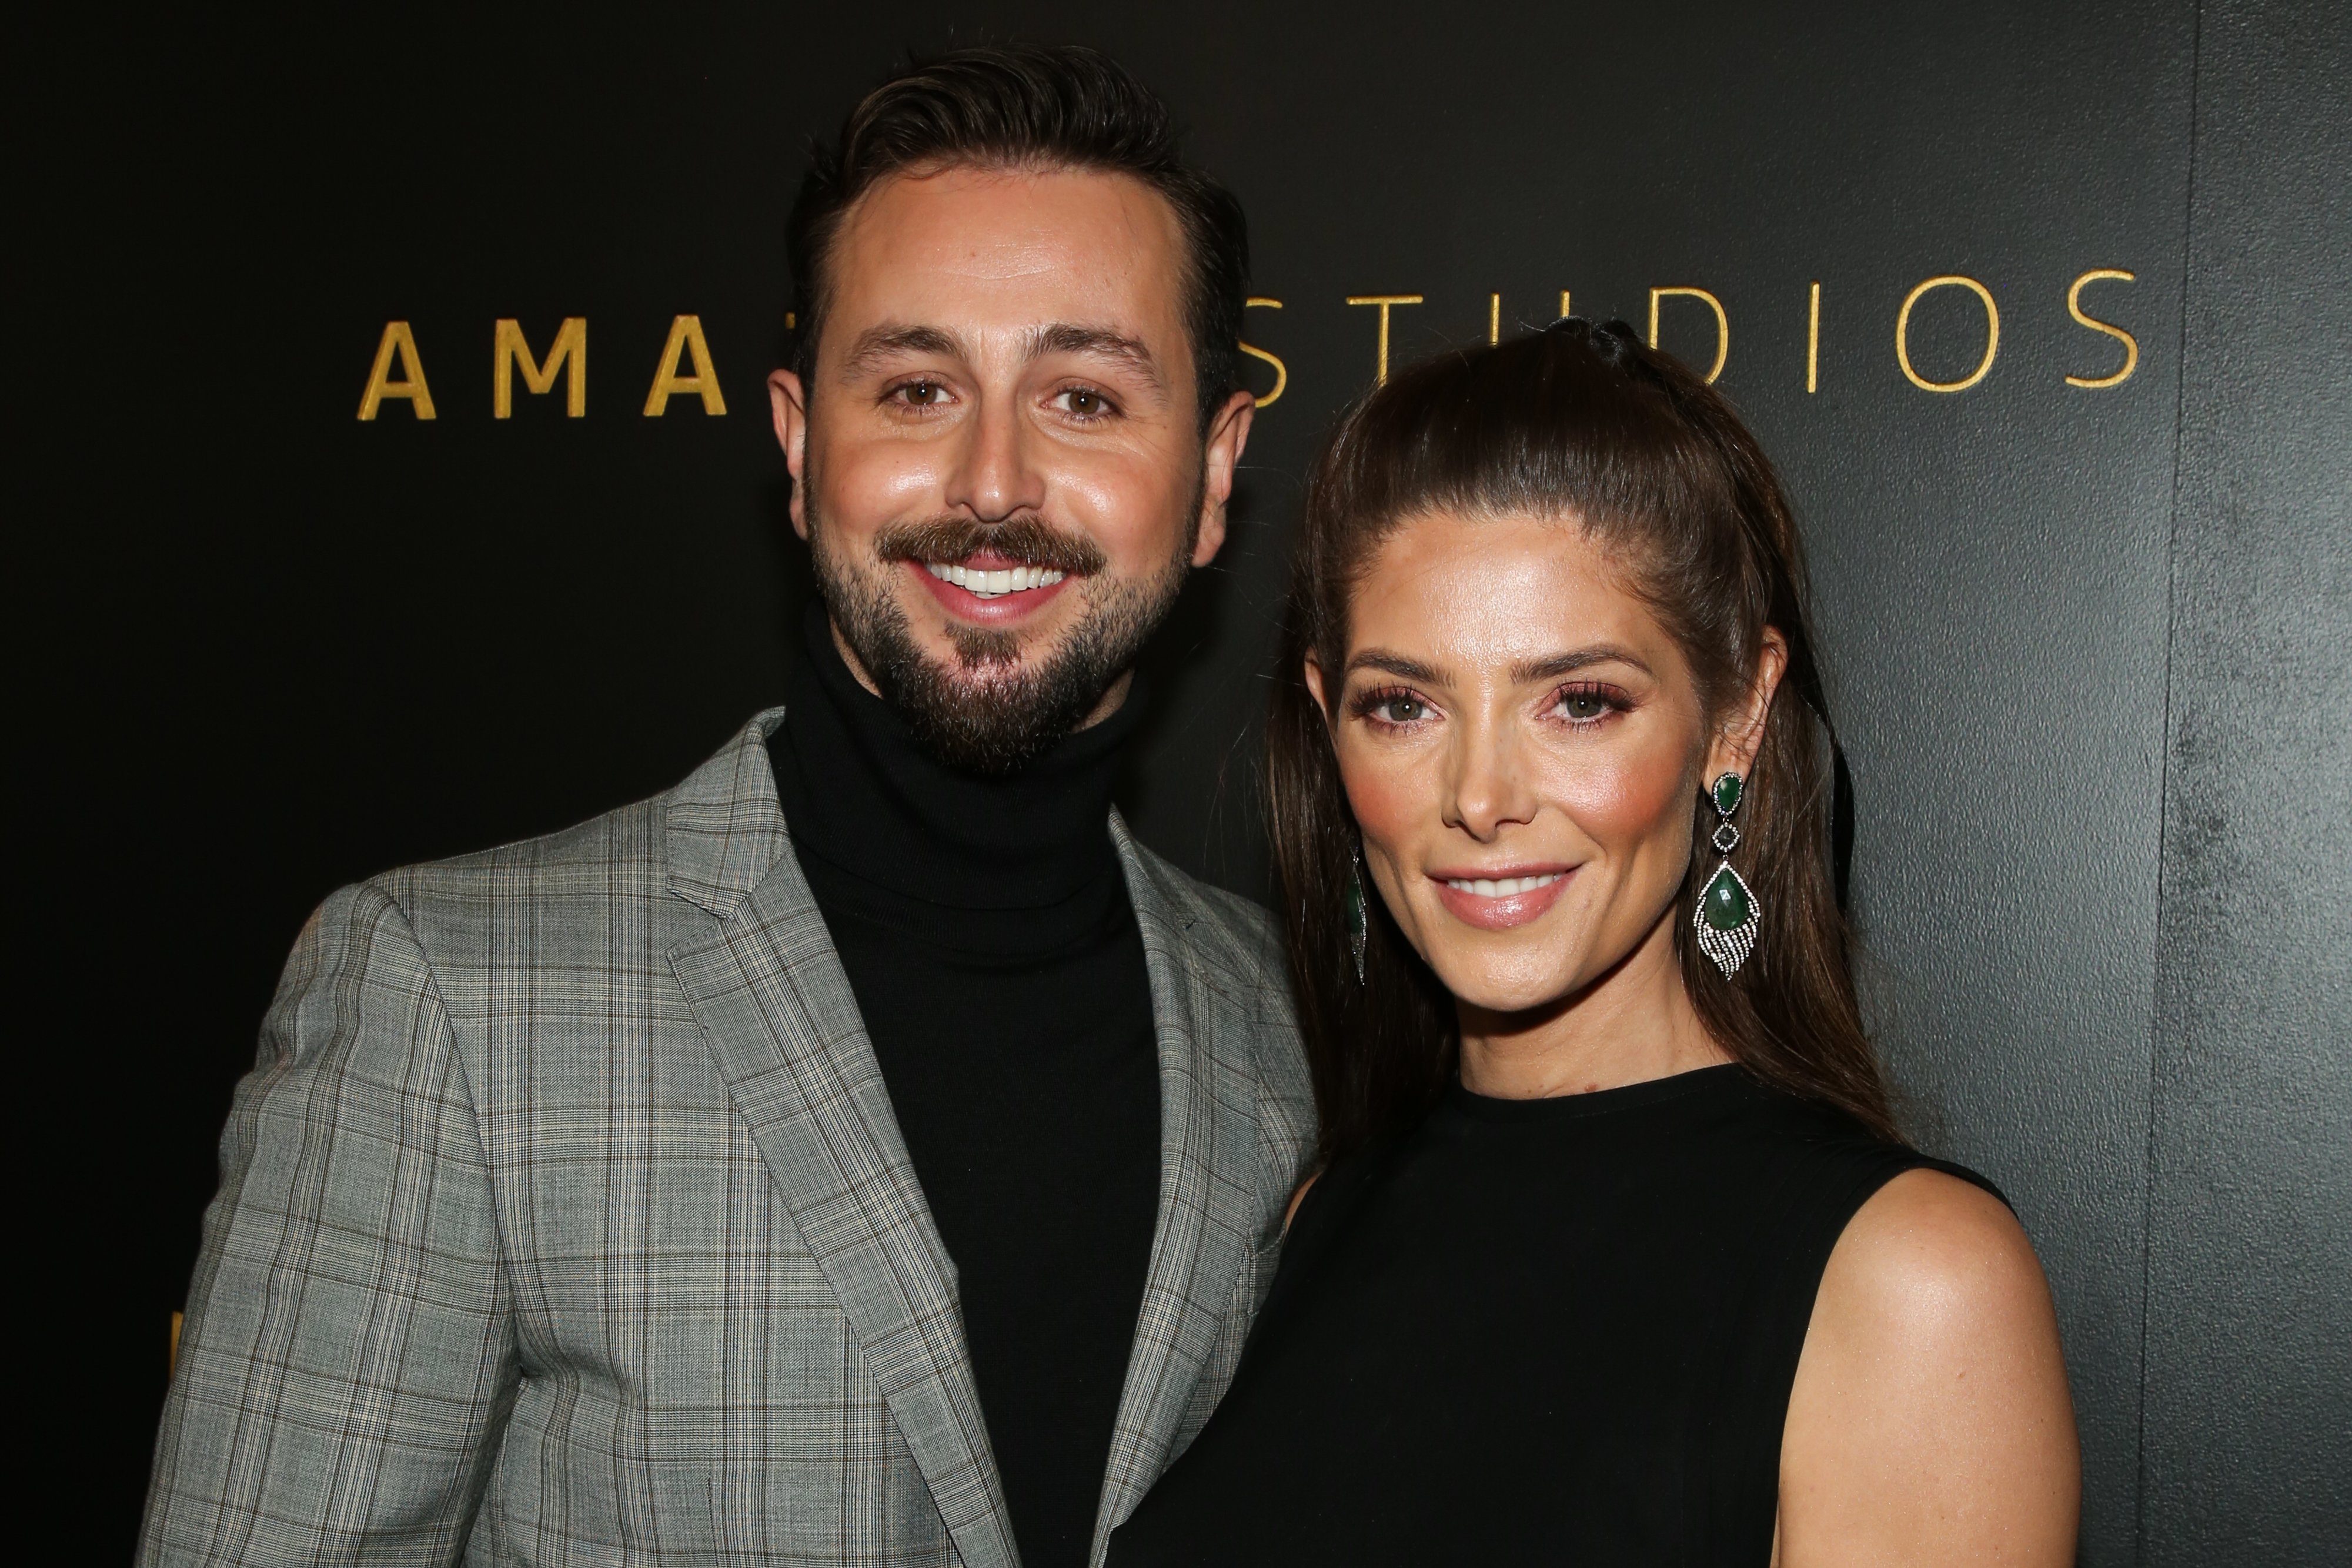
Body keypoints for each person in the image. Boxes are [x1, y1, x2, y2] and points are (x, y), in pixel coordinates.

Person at [142, 46, 1314, 1568]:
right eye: (916, 387)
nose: (993, 479)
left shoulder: (1291, 1027)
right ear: (797, 438)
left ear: (1214, 473)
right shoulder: (441, 996)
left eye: (1084, 396)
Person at [1108, 320, 2081, 1567]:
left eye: (1579, 701)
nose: (1478, 795)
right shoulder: (1320, 1211)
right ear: (1326, 720)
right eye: (1401, 705)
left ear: (1734, 714)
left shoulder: (1907, 1283)